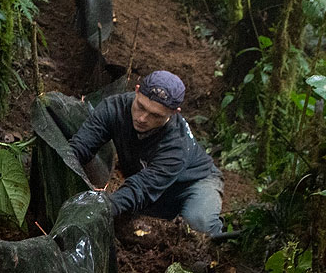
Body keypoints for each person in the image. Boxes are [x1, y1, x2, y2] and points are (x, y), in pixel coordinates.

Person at [66, 69, 224, 237]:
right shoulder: (114, 108)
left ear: (174, 112)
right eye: (140, 106)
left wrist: (100, 210)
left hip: (193, 183)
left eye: (155, 115)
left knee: (198, 225)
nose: (142, 118)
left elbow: (141, 188)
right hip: (153, 184)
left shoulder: (176, 145)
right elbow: (80, 147)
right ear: (137, 90)